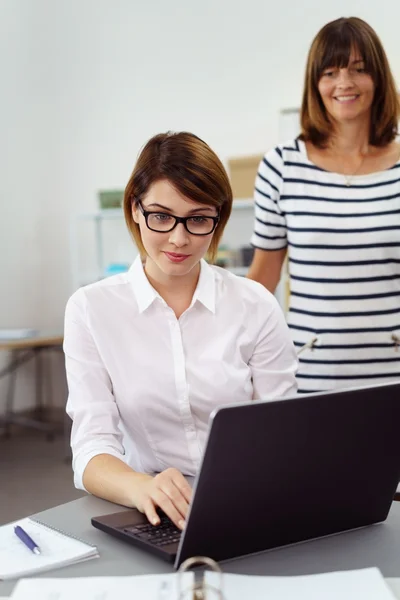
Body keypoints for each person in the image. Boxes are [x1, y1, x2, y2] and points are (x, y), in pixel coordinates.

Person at [64, 131, 298, 530]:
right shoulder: (91, 309)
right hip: (149, 511)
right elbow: (91, 447)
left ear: (218, 218)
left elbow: (281, 433)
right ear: (135, 209)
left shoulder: (255, 304)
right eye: (161, 216)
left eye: (198, 219)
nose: (179, 238)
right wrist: (140, 487)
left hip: (250, 503)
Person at [247, 17, 400, 394]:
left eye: (358, 70)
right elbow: (262, 281)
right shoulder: (281, 166)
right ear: (315, 84)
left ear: (378, 78)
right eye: (330, 72)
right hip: (310, 375)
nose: (344, 83)